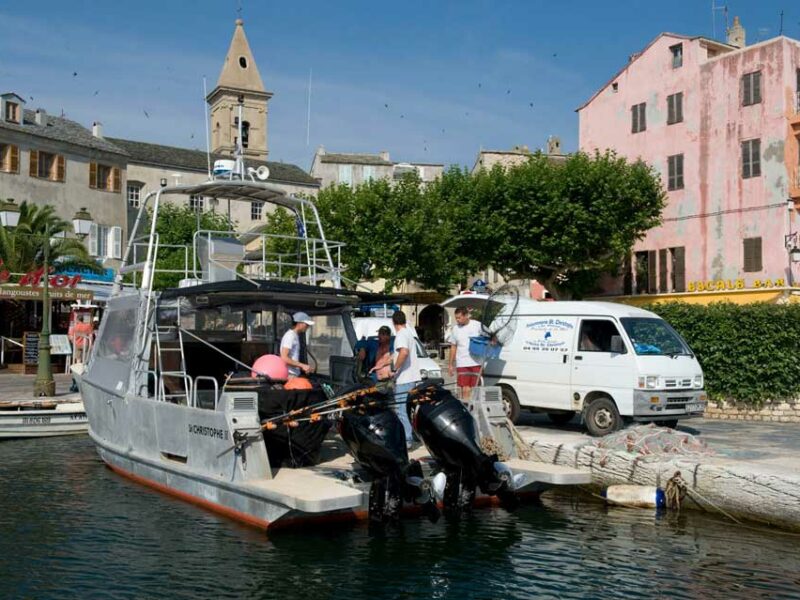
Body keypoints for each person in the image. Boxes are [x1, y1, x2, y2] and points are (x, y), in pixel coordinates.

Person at [390, 311, 420, 448]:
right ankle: (412, 435)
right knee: (409, 409)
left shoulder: (401, 334)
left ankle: (407, 440)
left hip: (404, 378)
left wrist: (395, 369)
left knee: (402, 410)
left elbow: (404, 352)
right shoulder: (409, 333)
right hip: (412, 377)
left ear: (393, 322)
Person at [447, 306, 484, 400]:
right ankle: (466, 407)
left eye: (459, 317)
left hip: (476, 362)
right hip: (462, 362)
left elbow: (488, 337)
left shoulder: (477, 325)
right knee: (464, 388)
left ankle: (473, 408)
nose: (457, 320)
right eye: (456, 318)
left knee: (475, 388)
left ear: (466, 316)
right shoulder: (455, 329)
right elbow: (453, 347)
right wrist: (450, 364)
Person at [280, 312, 315, 378]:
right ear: (299, 323)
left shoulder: (295, 335)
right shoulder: (290, 336)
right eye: (306, 324)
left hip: (294, 374)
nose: (308, 326)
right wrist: (302, 365)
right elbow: (284, 358)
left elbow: (292, 357)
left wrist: (303, 367)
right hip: (290, 374)